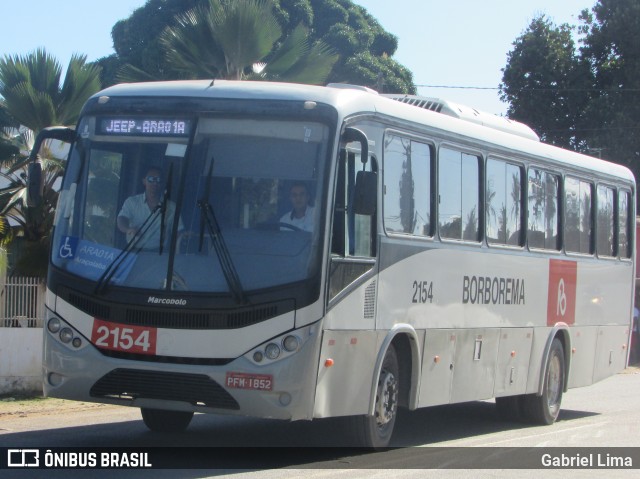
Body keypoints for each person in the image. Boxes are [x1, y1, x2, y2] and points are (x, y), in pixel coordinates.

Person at [117, 167, 182, 248]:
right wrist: (128, 229)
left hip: (158, 256)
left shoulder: (172, 207)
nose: (155, 183)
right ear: (144, 181)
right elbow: (121, 219)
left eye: (158, 180)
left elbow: (178, 232)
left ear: (162, 183)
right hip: (133, 253)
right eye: (151, 179)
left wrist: (183, 238)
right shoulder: (131, 202)